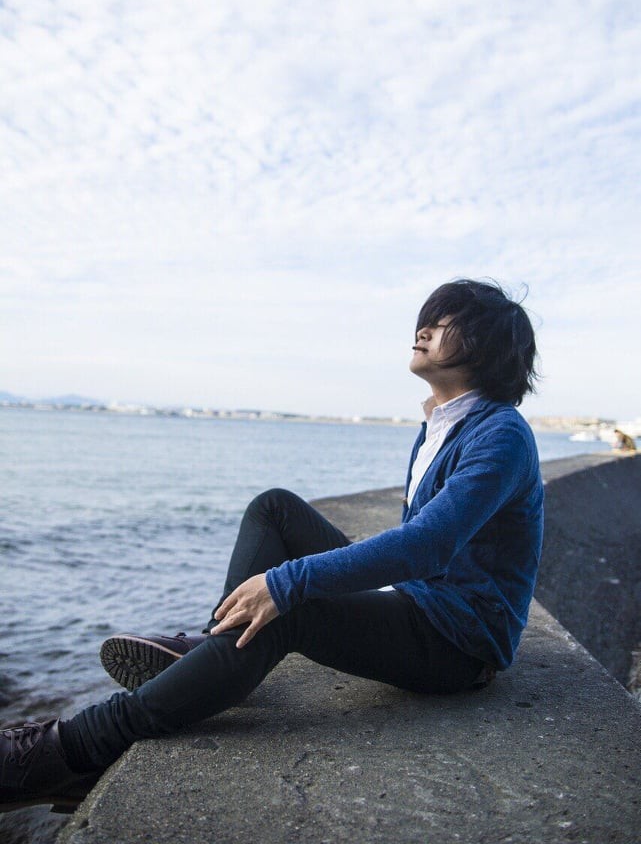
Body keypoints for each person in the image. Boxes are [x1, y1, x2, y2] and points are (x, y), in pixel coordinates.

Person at [0, 278, 544, 814]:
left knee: (286, 608)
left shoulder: (500, 435)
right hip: (420, 598)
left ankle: (73, 751)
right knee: (275, 508)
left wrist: (285, 584)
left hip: (459, 640)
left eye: (444, 323)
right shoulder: (441, 425)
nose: (422, 331)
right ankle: (218, 645)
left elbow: (426, 546)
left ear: (485, 346)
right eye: (426, 320)